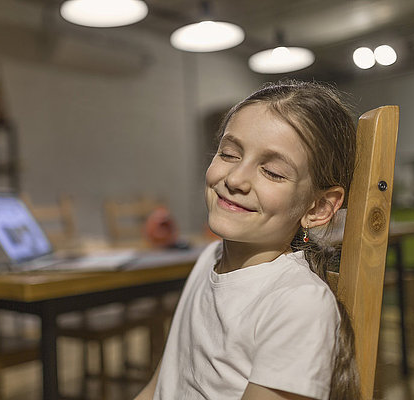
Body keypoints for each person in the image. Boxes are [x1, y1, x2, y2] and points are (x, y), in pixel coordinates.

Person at [135, 80, 360, 400]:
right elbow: (159, 387)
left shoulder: (298, 304)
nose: (235, 179)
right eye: (229, 154)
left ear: (319, 207)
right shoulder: (208, 258)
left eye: (272, 172)